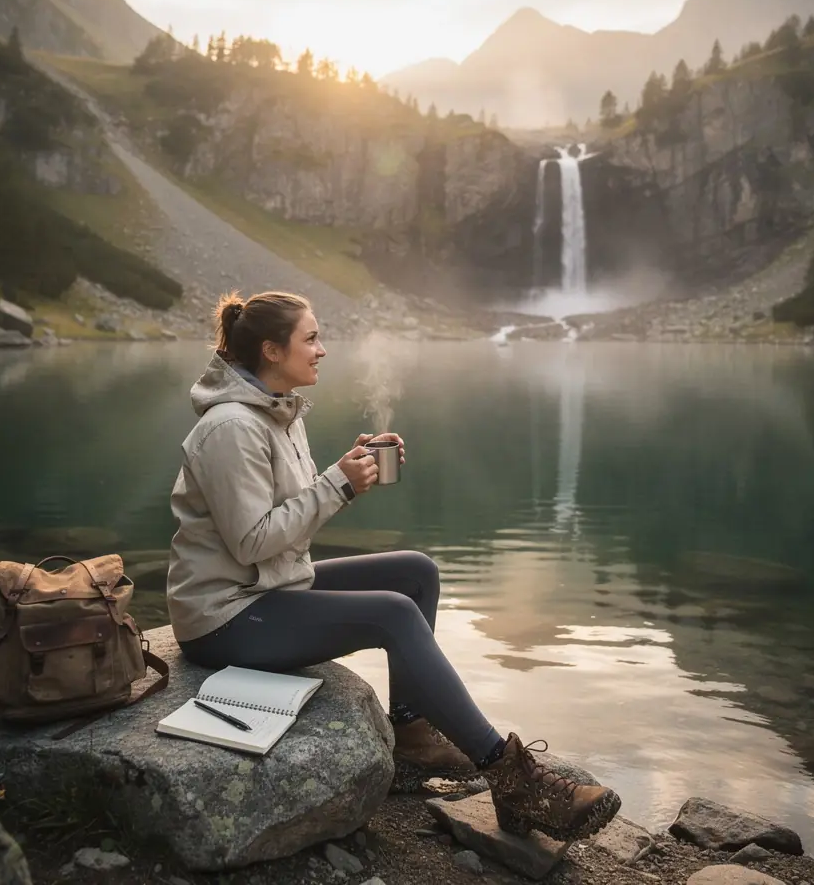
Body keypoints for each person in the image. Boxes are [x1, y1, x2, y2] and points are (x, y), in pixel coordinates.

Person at [167, 290, 621, 841]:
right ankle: (516, 784)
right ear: (270, 350)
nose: (322, 350)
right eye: (310, 338)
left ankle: (410, 736)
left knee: (416, 571)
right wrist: (338, 485)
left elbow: (287, 511)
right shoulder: (231, 428)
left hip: (268, 588)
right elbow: (251, 541)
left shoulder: (279, 411)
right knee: (394, 614)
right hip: (225, 615)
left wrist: (345, 471)